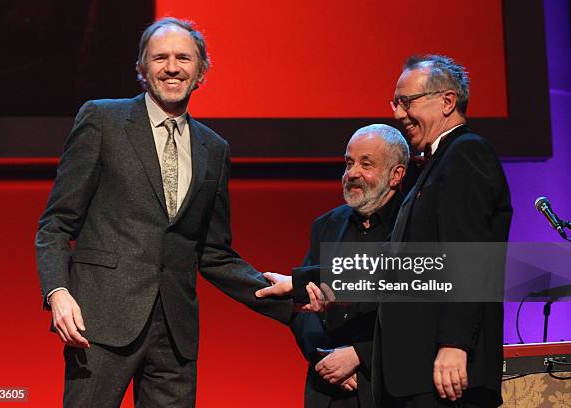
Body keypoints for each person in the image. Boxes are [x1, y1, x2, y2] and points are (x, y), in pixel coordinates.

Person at [35, 17, 293, 407]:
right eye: (160, 58)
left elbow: (212, 251)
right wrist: (58, 293)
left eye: (184, 58)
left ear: (201, 72)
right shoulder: (103, 120)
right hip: (100, 322)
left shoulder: (214, 148)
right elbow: (56, 224)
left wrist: (284, 299)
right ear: (142, 69)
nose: (172, 67)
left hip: (175, 332)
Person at [373, 55, 512, 407]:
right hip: (417, 376)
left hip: (444, 374)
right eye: (396, 103)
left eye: (407, 102)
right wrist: (304, 282)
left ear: (448, 101)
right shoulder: (434, 166)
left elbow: (471, 256)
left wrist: (455, 343)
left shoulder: (466, 154)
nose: (398, 114)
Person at [291, 125, 408, 408]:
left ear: (396, 174)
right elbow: (303, 306)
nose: (352, 173)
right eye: (348, 163)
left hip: (388, 385)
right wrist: (323, 355)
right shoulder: (326, 225)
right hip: (328, 388)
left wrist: (361, 354)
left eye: (366, 164)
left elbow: (416, 312)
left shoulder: (413, 227)